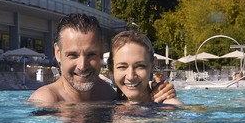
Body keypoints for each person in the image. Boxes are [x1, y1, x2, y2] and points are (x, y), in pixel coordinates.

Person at [29, 14, 177, 104]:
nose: (82, 65)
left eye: (91, 54)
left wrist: (158, 92)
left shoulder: (107, 93)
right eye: (73, 55)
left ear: (101, 53)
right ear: (57, 52)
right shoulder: (46, 101)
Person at [110, 29, 183, 105]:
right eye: (122, 67)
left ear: (153, 65)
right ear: (112, 67)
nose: (130, 77)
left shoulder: (170, 107)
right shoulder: (106, 104)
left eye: (140, 66)